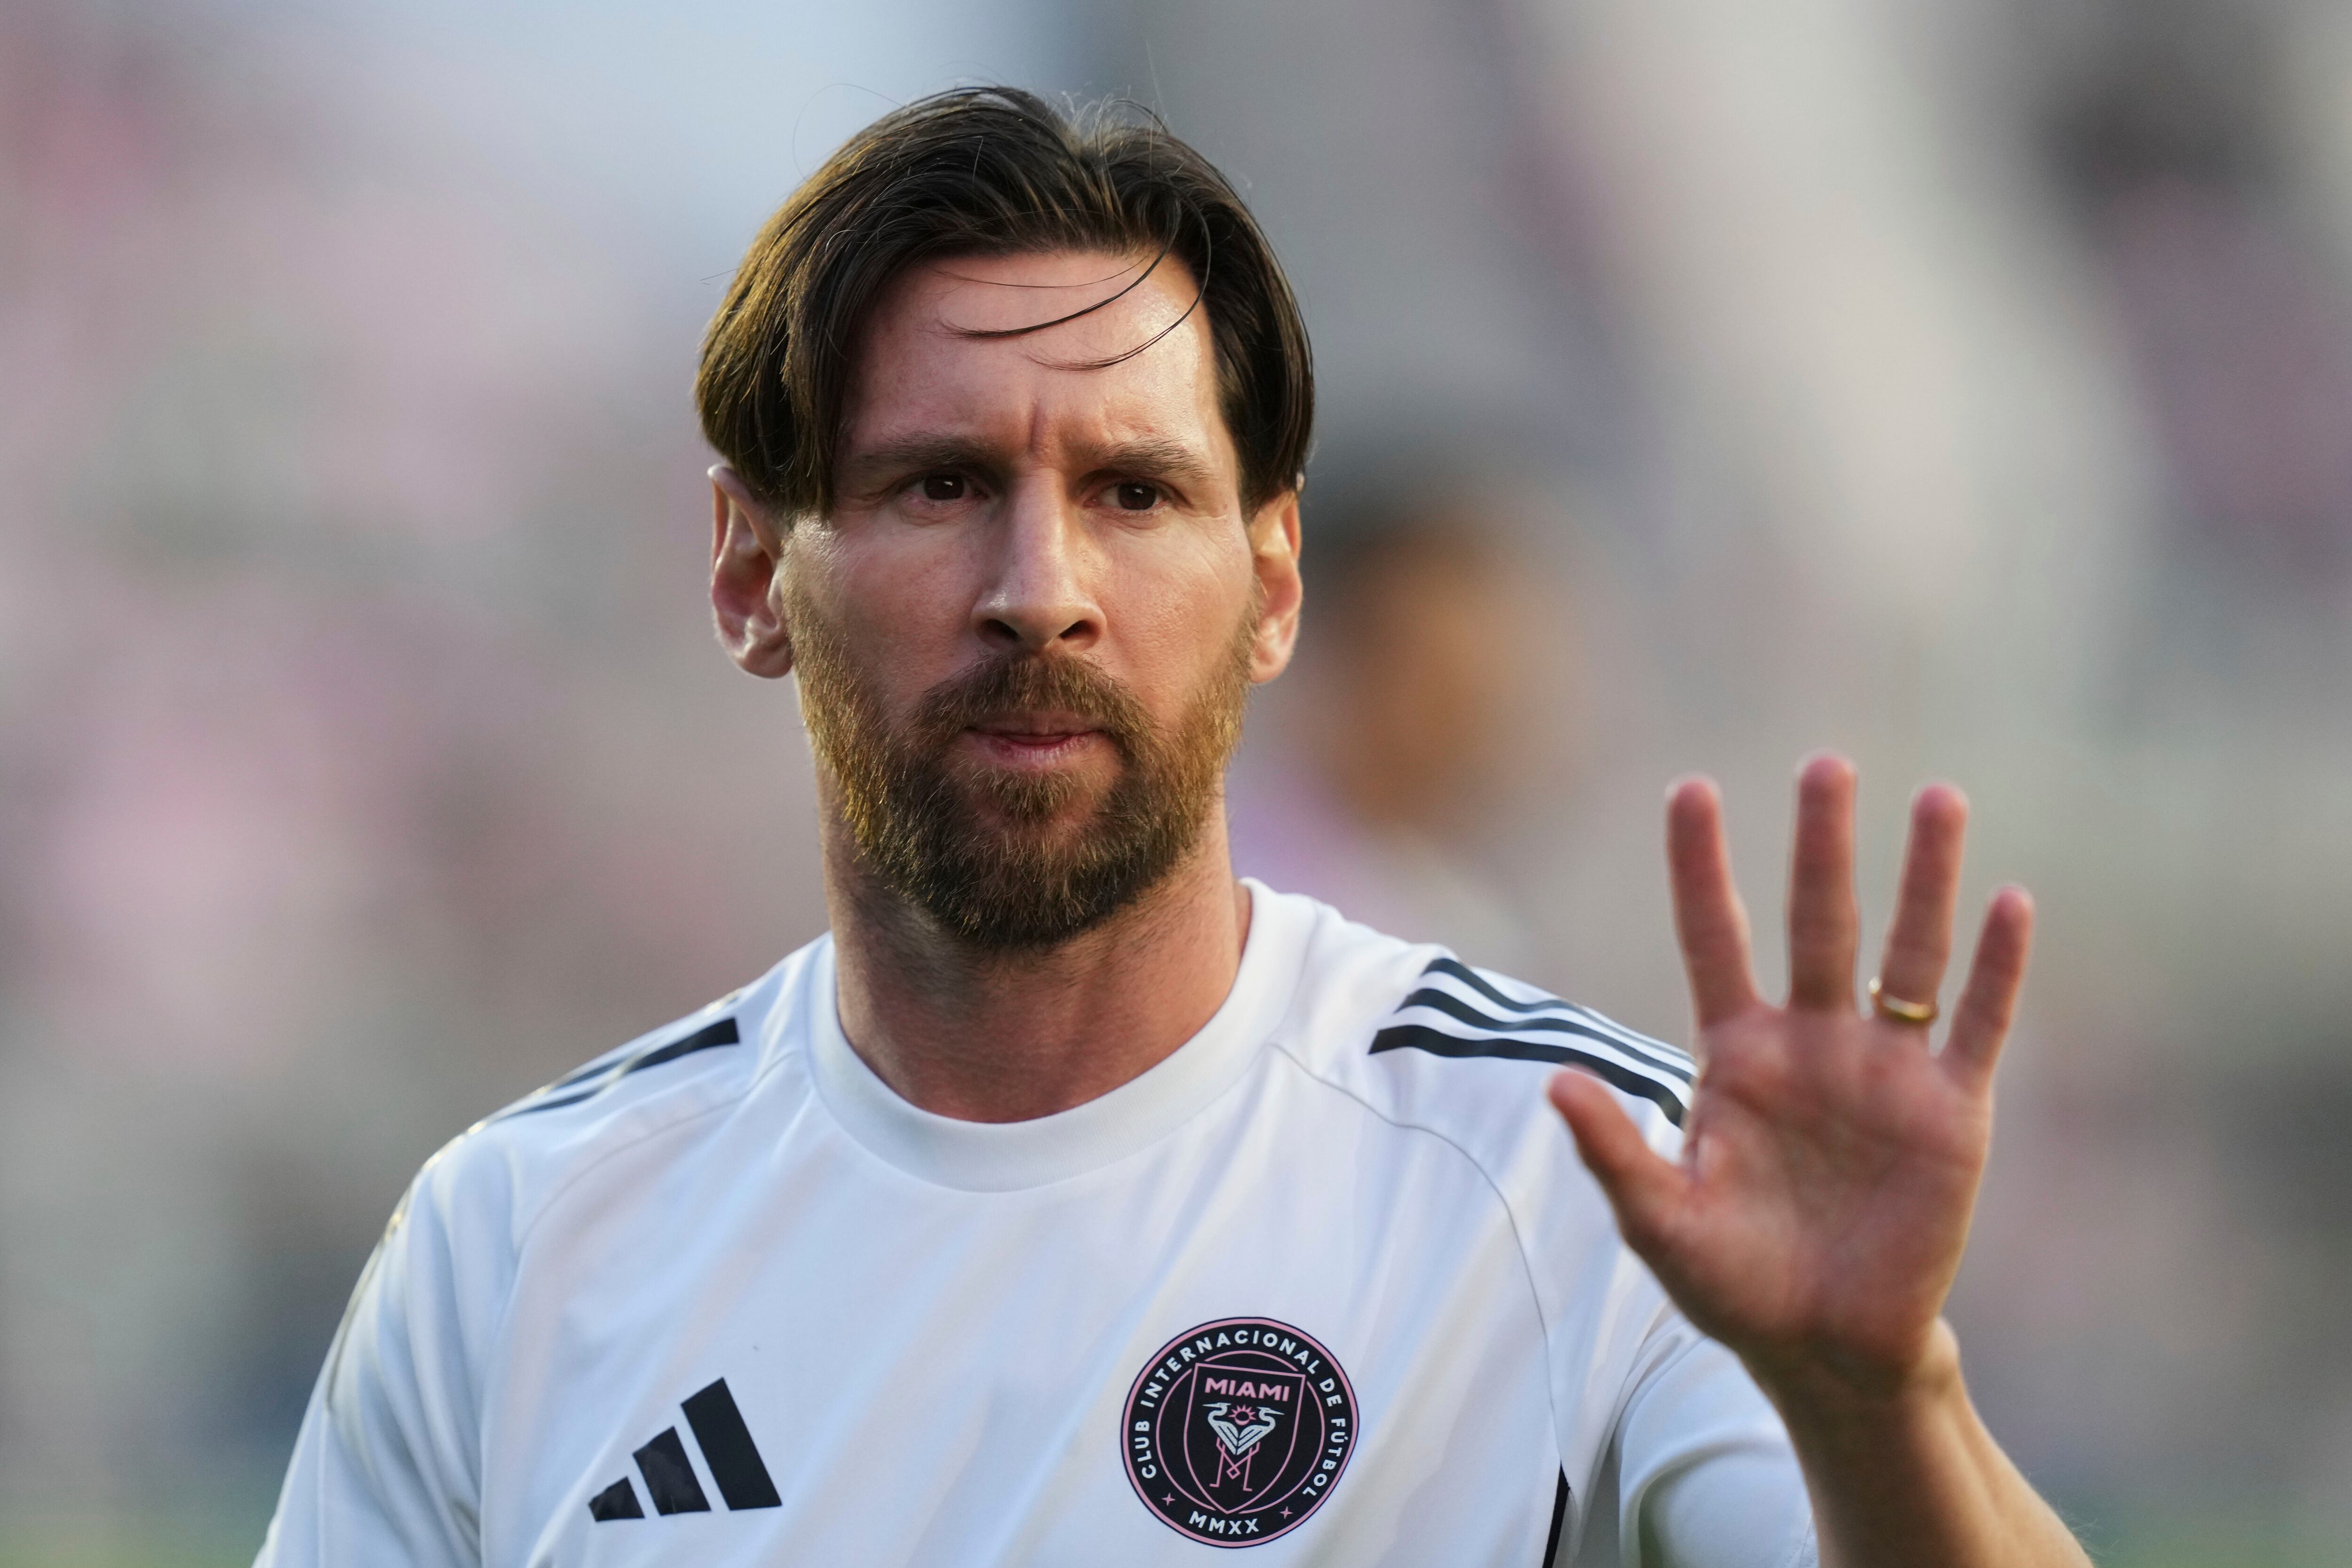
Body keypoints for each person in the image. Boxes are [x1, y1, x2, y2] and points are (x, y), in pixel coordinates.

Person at [254, 89, 2089, 1566]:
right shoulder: (516, 1242)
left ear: (1272, 583)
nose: (1040, 591)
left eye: (1134, 492)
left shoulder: (1578, 1178)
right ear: (750, 573)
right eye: (939, 485)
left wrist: (1885, 1403)